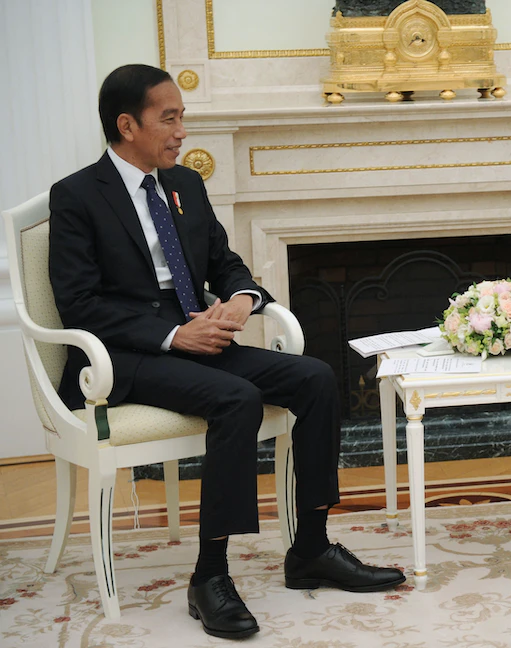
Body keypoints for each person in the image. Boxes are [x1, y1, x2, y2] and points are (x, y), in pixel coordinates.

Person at [48, 64, 405, 640]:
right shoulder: (77, 196)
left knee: (315, 378)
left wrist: (241, 300)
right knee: (237, 398)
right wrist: (172, 336)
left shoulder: (185, 185)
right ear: (127, 125)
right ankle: (209, 576)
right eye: (169, 118)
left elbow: (225, 263)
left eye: (182, 117)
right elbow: (78, 304)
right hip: (127, 358)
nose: (181, 131)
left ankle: (311, 549)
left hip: (202, 339)